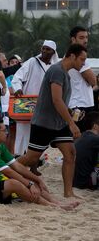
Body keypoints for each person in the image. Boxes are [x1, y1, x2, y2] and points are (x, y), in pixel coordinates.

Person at [17, 44, 88, 199]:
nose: (83, 63)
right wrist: (71, 122)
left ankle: (68, 193)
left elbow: (59, 101)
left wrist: (70, 113)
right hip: (44, 123)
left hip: (58, 123)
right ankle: (5, 169)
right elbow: (56, 100)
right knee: (31, 158)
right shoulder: (57, 71)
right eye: (82, 59)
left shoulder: (65, 73)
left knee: (70, 153)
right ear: (72, 56)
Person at [0, 119, 76, 210]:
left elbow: (17, 166)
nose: (7, 133)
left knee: (32, 182)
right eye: (4, 130)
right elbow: (8, 171)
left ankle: (56, 202)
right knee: (15, 183)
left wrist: (37, 180)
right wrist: (29, 184)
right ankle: (50, 205)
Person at [10, 40, 59, 156]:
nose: (45, 51)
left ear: (53, 52)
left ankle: (38, 158)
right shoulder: (32, 62)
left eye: (48, 49)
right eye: (43, 48)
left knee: (40, 131)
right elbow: (17, 77)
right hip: (27, 103)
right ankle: (19, 155)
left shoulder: (55, 67)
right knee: (23, 130)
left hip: (45, 105)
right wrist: (17, 88)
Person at [67, 26, 96, 131]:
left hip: (79, 103)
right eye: (81, 37)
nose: (85, 40)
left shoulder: (71, 55)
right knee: (80, 137)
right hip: (80, 105)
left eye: (86, 37)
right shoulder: (78, 56)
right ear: (73, 39)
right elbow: (93, 81)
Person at [73, 112, 99, 189]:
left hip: (74, 181)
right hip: (86, 182)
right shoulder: (95, 139)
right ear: (95, 126)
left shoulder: (82, 137)